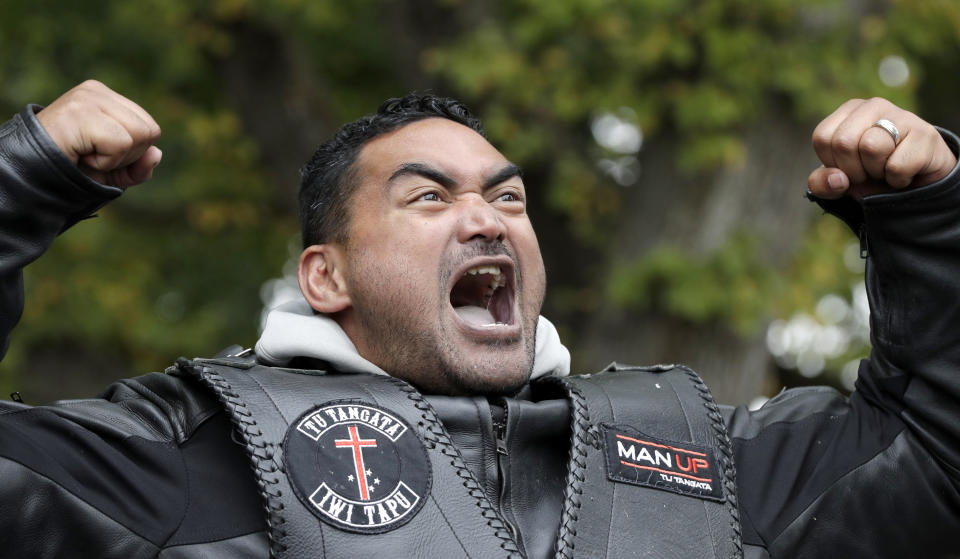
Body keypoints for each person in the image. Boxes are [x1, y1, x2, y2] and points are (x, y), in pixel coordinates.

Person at [1, 80, 959, 559]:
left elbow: (938, 454)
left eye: (510, 196)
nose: (486, 217)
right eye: (428, 199)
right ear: (324, 275)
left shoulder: (708, 455)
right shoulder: (186, 449)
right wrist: (19, 182)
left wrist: (929, 220)